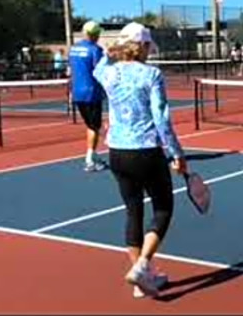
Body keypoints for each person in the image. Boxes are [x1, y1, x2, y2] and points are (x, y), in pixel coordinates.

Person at [93, 22, 187, 299]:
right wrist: (176, 153)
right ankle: (143, 265)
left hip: (117, 153)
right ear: (144, 46)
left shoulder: (107, 73)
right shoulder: (152, 74)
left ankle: (140, 280)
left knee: (133, 211)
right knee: (163, 208)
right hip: (146, 151)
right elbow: (161, 118)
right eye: (148, 45)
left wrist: (112, 51)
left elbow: (100, 64)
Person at [68, 21, 107, 172]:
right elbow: (100, 71)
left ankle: (93, 153)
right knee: (94, 127)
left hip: (77, 93)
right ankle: (90, 159)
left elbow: (71, 70)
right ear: (96, 34)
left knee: (91, 126)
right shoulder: (96, 50)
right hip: (92, 93)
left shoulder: (73, 49)